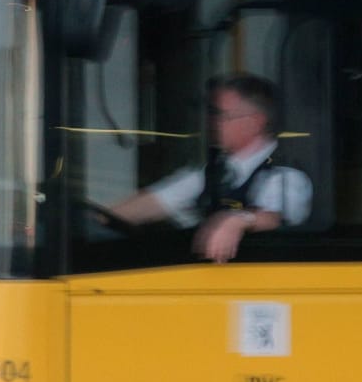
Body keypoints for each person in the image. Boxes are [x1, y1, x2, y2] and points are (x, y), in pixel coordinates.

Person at [106, 73, 312, 262]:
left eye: (220, 114)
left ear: (255, 122)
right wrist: (94, 220)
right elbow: (154, 202)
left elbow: (273, 217)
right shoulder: (214, 171)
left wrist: (237, 221)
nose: (210, 122)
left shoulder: (286, 175)